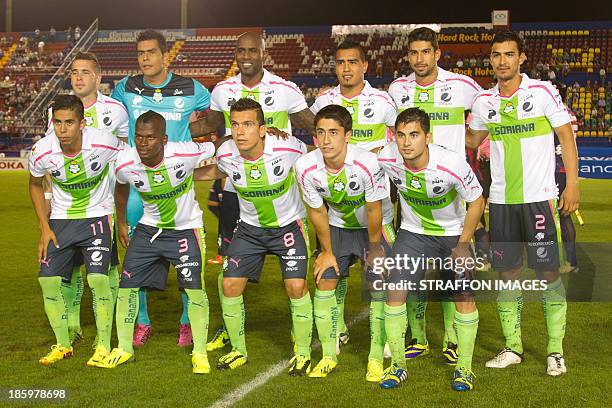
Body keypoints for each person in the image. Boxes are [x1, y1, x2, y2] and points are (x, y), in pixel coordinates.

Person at [189, 31, 314, 352]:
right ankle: (229, 331)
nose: (246, 56)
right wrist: (171, 127)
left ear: (262, 53)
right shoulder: (223, 90)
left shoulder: (285, 90)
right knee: (230, 268)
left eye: (252, 51)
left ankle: (302, 330)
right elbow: (209, 127)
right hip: (237, 190)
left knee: (294, 279)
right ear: (236, 53)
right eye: (241, 51)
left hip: (278, 187)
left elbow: (313, 126)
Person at [466, 31, 579, 377]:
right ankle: (512, 346)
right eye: (496, 55)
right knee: (508, 274)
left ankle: (555, 350)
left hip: (538, 200)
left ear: (521, 58)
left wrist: (572, 184)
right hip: (500, 202)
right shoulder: (484, 101)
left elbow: (565, 137)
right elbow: (472, 139)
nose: (502, 61)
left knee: (547, 274)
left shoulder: (543, 92)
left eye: (509, 54)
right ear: (491, 60)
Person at [387, 26, 482, 364]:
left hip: (453, 196)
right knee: (409, 275)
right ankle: (417, 336)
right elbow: (386, 130)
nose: (419, 59)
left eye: (426, 52)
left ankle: (454, 339)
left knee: (450, 276)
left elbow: (489, 107)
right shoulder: (397, 89)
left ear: (438, 53)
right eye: (413, 52)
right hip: (412, 195)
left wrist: (476, 142)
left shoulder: (461, 86)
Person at [112, 30, 211, 347]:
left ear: (165, 54)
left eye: (151, 52)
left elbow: (217, 118)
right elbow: (109, 118)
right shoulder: (125, 88)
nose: (145, 59)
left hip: (176, 186)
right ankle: (141, 321)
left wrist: (191, 133)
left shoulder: (192, 89)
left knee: (187, 263)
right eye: (140, 53)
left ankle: (187, 322)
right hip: (139, 189)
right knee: (135, 262)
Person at [99, 111, 216, 373]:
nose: (143, 143)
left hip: (186, 229)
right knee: (127, 285)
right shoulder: (124, 162)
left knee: (194, 289)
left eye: (150, 138)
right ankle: (124, 348)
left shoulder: (184, 152)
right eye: (138, 137)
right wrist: (121, 221)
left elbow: (221, 145)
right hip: (149, 228)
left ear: (163, 139)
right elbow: (120, 188)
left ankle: (199, 352)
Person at [378, 107, 484, 390]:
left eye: (413, 135)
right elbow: (359, 156)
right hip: (413, 234)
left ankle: (464, 369)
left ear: (428, 136)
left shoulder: (451, 164)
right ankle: (397, 367)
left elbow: (477, 201)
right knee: (395, 292)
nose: (406, 142)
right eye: (400, 135)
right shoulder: (388, 157)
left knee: (463, 297)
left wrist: (463, 245)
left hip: (452, 235)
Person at [295, 105, 395, 380]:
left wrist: (375, 249)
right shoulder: (305, 167)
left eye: (333, 133)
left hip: (374, 228)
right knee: (324, 281)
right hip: (338, 229)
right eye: (320, 133)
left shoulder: (367, 164)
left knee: (379, 285)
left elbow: (373, 209)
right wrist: (326, 251)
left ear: (347, 135)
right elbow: (317, 211)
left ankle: (376, 357)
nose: (326, 140)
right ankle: (329, 355)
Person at [310, 40, 396, 353]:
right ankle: (337, 327)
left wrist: (376, 153)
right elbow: (315, 141)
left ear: (364, 66)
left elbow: (399, 141)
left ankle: (386, 336)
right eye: (340, 62)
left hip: (376, 205)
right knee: (335, 269)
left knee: (381, 271)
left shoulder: (382, 100)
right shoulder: (324, 100)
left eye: (352, 62)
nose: (346, 68)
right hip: (337, 207)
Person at [29, 95, 123, 366]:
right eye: (57, 122)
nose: (62, 129)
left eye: (69, 122)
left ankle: (103, 344)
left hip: (98, 216)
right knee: (47, 280)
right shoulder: (42, 150)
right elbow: (35, 184)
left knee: (98, 279)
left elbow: (127, 167)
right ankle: (63, 344)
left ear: (81, 123)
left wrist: (121, 211)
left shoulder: (104, 142)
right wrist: (43, 226)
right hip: (61, 219)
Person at [44, 51, 129, 347]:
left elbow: (125, 157)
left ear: (98, 77)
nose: (78, 77)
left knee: (105, 270)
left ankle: (108, 328)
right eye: (74, 72)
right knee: (70, 270)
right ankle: (74, 325)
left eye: (84, 72)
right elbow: (49, 160)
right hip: (65, 209)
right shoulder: (58, 110)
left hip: (101, 206)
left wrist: (122, 209)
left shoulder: (115, 111)